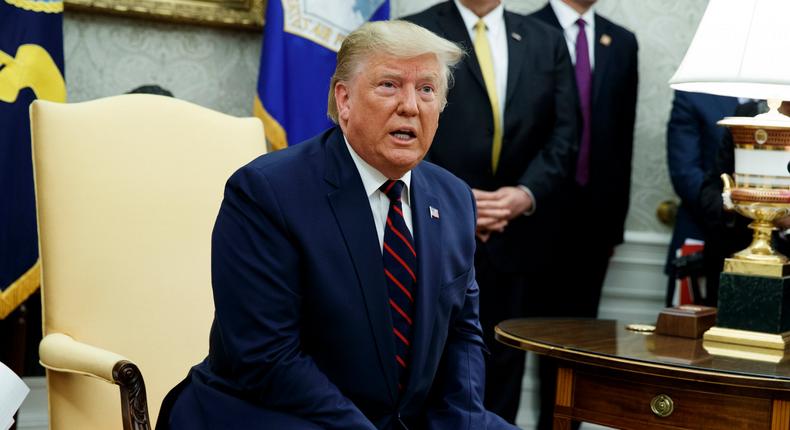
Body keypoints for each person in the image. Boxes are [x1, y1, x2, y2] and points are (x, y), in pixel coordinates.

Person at [156, 20, 517, 430]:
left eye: (427, 90)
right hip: (275, 410)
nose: (410, 106)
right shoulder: (267, 192)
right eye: (389, 85)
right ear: (343, 100)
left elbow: (462, 337)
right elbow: (266, 358)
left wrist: (464, 423)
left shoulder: (453, 199)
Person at [404, 0, 579, 423]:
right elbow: (403, 126)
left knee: (503, 366)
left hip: (517, 231)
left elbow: (566, 132)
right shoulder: (415, 32)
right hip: (433, 227)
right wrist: (457, 199)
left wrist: (524, 194)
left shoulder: (546, 39)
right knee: (431, 359)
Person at [528, 1, 638, 427]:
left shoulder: (621, 42)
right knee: (512, 346)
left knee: (575, 351)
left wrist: (614, 227)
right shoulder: (525, 29)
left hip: (592, 226)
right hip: (527, 219)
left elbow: (621, 139)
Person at [665, 90, 740, 306]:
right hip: (702, 234)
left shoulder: (779, 97)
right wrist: (732, 209)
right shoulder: (695, 93)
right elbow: (685, 173)